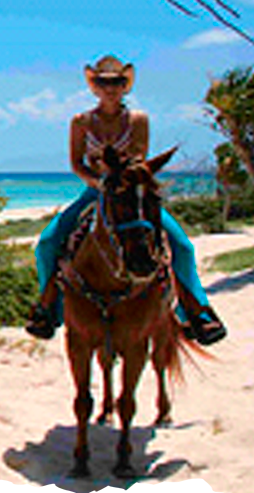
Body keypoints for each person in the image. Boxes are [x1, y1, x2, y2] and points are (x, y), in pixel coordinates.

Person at [25, 54, 227, 345]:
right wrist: (98, 183)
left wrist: (119, 182)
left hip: (129, 191)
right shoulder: (81, 121)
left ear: (125, 86)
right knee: (47, 242)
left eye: (117, 82)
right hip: (95, 190)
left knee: (182, 246)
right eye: (104, 82)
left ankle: (197, 312)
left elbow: (138, 161)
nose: (110, 88)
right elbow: (76, 164)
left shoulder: (138, 120)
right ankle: (48, 310)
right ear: (95, 87)